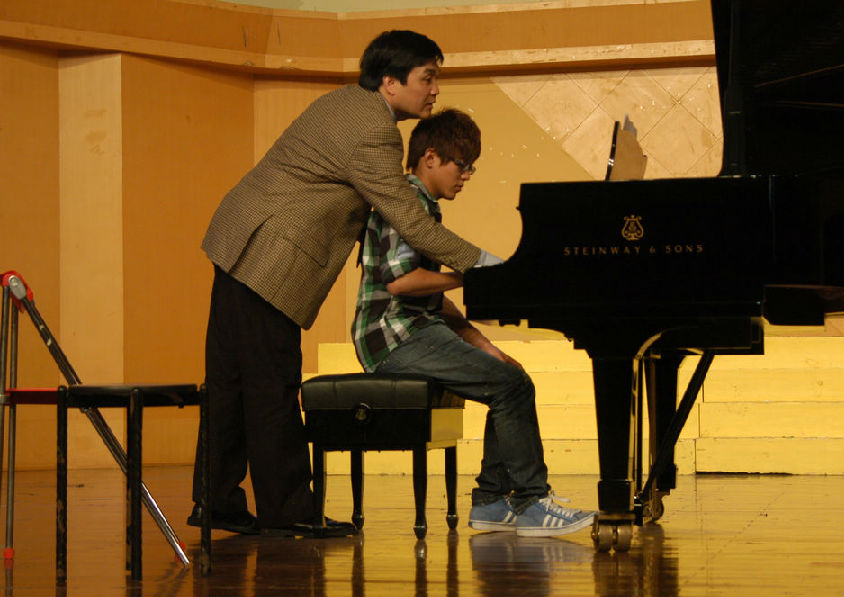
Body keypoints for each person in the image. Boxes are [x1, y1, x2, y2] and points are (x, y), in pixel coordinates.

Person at [188, 30, 501, 538]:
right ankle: (288, 512)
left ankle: (217, 501)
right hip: (270, 258)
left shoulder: (345, 105)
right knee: (271, 385)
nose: (435, 90)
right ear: (390, 81)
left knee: (231, 384)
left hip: (239, 242)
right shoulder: (373, 129)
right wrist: (490, 265)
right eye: (427, 78)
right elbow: (411, 221)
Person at [352, 108, 597, 537]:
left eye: (471, 167)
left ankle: (490, 503)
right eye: (461, 165)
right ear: (430, 157)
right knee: (511, 386)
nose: (466, 176)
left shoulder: (424, 207)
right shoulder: (406, 202)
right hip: (393, 337)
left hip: (416, 330)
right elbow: (401, 282)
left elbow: (432, 298)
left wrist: (483, 344)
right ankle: (530, 501)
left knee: (508, 377)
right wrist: (473, 275)